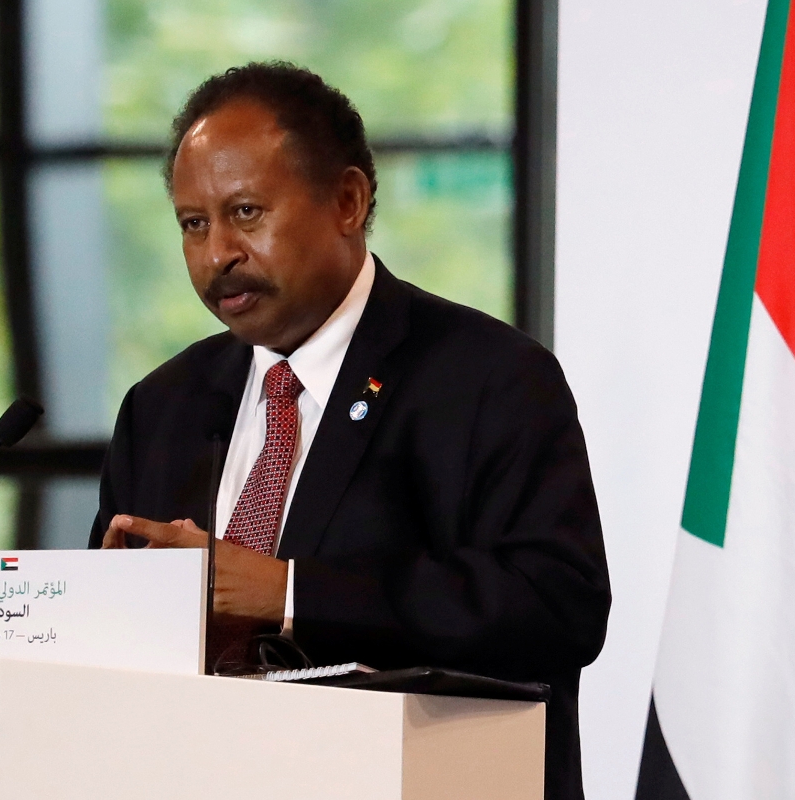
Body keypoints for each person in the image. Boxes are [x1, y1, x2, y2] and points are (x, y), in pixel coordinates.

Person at [91, 62, 611, 800]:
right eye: (192, 224)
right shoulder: (163, 405)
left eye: (246, 213)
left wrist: (289, 591)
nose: (216, 256)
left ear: (347, 200)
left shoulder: (489, 378)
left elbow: (558, 606)